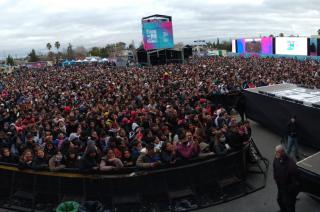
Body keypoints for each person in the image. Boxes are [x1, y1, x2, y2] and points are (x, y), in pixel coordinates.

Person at [273, 145, 300, 212]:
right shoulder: (276, 158)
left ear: (282, 152)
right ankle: (283, 210)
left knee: (289, 205)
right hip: (280, 186)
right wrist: (276, 178)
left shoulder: (291, 165)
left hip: (288, 190)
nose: (276, 154)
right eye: (276, 152)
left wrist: (290, 190)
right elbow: (275, 169)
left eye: (277, 152)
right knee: (280, 200)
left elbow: (296, 181)